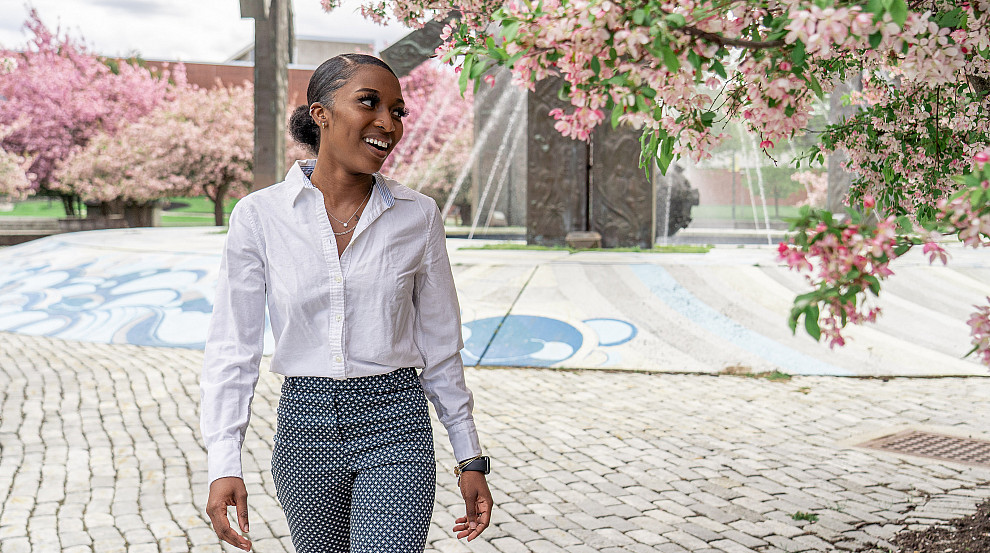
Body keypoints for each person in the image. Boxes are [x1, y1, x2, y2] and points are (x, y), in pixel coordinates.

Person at [200, 53, 493, 553]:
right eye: (369, 103)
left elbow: (441, 345)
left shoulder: (417, 217)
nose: (388, 123)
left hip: (397, 424)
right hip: (303, 429)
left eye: (398, 111)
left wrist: (469, 457)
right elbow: (234, 346)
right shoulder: (259, 217)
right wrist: (224, 462)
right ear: (321, 112)